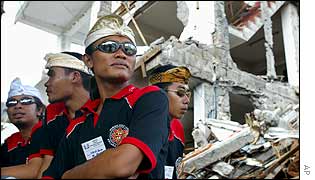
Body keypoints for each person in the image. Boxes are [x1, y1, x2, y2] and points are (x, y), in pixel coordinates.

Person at [42, 14, 170, 179]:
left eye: (129, 49)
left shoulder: (150, 98)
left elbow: (122, 165)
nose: (121, 54)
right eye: (109, 47)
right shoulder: (78, 124)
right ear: (88, 60)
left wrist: (69, 175)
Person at [37, 51, 99, 178]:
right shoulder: (52, 113)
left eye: (52, 76)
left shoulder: (104, 108)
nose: (46, 83)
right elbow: (48, 163)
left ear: (75, 77)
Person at [149, 65, 192, 179]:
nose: (186, 101)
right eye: (180, 93)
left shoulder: (177, 127)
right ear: (158, 94)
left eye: (188, 94)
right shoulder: (140, 125)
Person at [1, 78, 45, 178]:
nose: (18, 106)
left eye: (26, 101)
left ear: (39, 109)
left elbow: (33, 171)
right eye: (11, 103)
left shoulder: (47, 131)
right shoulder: (10, 142)